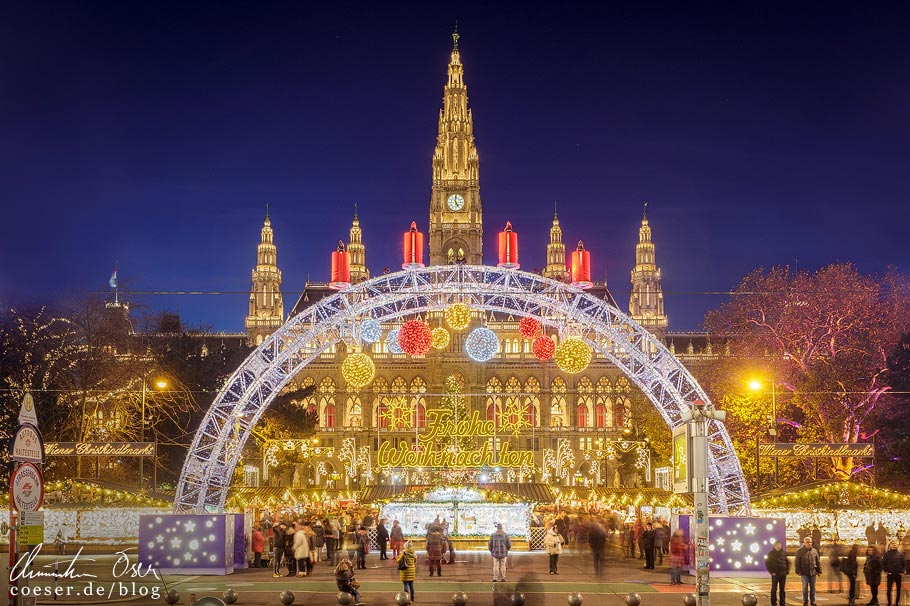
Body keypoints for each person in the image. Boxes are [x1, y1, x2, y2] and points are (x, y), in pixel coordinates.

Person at [795, 535, 822, 606]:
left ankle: (813, 601)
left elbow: (817, 561)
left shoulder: (814, 551)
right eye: (807, 542)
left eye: (810, 542)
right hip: (804, 573)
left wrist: (819, 570)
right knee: (805, 587)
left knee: (813, 587)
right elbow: (797, 562)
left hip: (813, 572)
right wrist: (798, 571)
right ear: (804, 543)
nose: (809, 543)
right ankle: (805, 601)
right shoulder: (799, 551)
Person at [766, 541, 791, 606]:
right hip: (775, 574)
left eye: (779, 545)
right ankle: (773, 603)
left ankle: (782, 603)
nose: (778, 546)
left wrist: (787, 571)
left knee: (782, 589)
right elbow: (768, 563)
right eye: (777, 545)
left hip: (783, 574)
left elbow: (788, 562)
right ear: (774, 546)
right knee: (774, 589)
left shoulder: (784, 553)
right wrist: (771, 572)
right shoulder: (771, 554)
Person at [882, 540, 905, 606]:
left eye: (895, 544)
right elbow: (883, 564)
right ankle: (889, 602)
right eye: (892, 544)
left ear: (897, 545)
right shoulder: (886, 554)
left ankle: (897, 602)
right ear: (890, 545)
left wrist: (902, 571)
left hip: (898, 574)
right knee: (889, 590)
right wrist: (886, 571)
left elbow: (904, 564)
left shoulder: (901, 554)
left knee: (898, 590)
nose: (894, 545)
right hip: (890, 574)